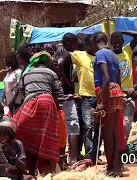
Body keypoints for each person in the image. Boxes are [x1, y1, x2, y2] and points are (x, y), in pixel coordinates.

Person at [12, 51, 61, 176]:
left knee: (23, 133)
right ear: (46, 62)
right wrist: (54, 112)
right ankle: (51, 171)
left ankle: (30, 168)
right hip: (47, 102)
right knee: (47, 137)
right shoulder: (51, 73)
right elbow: (56, 95)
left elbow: (23, 95)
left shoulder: (26, 73)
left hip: (30, 103)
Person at [92, 32, 123, 177]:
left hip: (106, 92)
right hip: (116, 91)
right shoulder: (114, 55)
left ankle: (111, 166)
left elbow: (106, 76)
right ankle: (117, 166)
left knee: (107, 133)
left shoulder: (100, 54)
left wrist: (102, 103)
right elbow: (118, 79)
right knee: (116, 133)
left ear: (94, 42)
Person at [110, 30, 137, 144]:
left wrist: (121, 31)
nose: (117, 45)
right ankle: (115, 147)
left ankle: (122, 147)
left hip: (128, 97)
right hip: (115, 96)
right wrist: (124, 90)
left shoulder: (128, 50)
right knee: (115, 125)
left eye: (119, 42)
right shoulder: (109, 56)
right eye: (115, 42)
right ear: (111, 43)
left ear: (123, 42)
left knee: (126, 124)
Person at [70, 35, 96, 160]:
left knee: (95, 127)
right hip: (85, 96)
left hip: (100, 95)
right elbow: (63, 58)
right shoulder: (79, 55)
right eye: (92, 42)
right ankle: (89, 155)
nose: (95, 45)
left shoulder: (100, 56)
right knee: (87, 126)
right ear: (87, 43)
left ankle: (93, 153)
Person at [56, 33, 80, 165]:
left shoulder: (58, 54)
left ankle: (62, 158)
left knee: (62, 127)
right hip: (67, 96)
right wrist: (65, 80)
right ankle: (73, 158)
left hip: (60, 96)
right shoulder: (66, 55)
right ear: (69, 43)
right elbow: (59, 64)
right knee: (73, 126)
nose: (76, 46)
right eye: (75, 43)